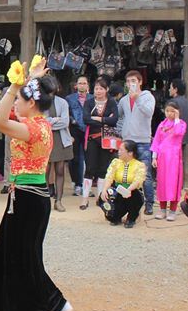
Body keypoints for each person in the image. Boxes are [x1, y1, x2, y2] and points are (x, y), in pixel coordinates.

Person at [0, 58, 72, 311]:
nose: (15, 105)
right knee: (23, 255)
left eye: (20, 101)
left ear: (31, 103)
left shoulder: (31, 128)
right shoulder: (42, 123)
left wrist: (13, 87)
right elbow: (16, 112)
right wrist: (33, 78)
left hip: (27, 197)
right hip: (31, 196)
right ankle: (52, 302)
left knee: (20, 258)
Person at [117, 71, 156, 215]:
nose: (130, 84)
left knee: (145, 174)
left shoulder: (147, 97)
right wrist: (120, 132)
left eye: (133, 81)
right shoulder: (123, 100)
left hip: (143, 140)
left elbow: (149, 112)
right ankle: (125, 202)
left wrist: (137, 98)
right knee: (125, 173)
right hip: (127, 140)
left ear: (140, 82)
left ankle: (149, 202)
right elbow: (120, 116)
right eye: (128, 81)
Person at [80, 77, 119, 210]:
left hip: (107, 141)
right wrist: (105, 120)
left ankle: (100, 198)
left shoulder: (112, 102)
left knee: (103, 169)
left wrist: (98, 118)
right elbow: (85, 119)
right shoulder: (89, 102)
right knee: (90, 168)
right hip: (92, 139)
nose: (98, 91)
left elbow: (115, 120)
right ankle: (84, 199)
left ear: (106, 89)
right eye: (96, 88)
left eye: (101, 88)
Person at [150, 101, 186, 221]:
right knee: (162, 183)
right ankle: (162, 209)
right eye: (167, 111)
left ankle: (172, 210)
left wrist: (176, 118)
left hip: (174, 158)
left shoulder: (181, 124)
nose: (169, 113)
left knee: (173, 183)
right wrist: (154, 157)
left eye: (172, 111)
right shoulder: (161, 125)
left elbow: (178, 132)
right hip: (162, 158)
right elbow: (156, 141)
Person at [100, 140, 148, 228]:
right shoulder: (115, 162)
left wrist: (128, 190)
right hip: (118, 191)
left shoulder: (140, 165)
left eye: (121, 150)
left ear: (130, 153)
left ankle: (131, 218)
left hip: (132, 192)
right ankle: (116, 217)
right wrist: (104, 190)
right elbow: (109, 176)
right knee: (106, 197)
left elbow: (138, 180)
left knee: (134, 196)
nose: (119, 152)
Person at [45, 81, 73, 213]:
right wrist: (55, 120)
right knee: (45, 170)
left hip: (61, 139)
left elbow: (65, 122)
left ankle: (59, 200)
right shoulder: (39, 102)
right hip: (45, 139)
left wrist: (50, 121)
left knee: (60, 170)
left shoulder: (62, 102)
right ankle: (44, 200)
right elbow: (40, 121)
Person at [168, 79, 188, 191]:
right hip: (185, 137)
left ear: (175, 89)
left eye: (170, 87)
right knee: (180, 160)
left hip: (173, 137)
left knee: (171, 162)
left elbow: (169, 121)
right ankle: (179, 184)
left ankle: (172, 185)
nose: (169, 89)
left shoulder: (172, 103)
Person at [65, 76, 89, 196]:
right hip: (74, 131)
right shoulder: (69, 98)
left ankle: (82, 184)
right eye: (80, 83)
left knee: (86, 158)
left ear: (88, 85)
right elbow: (66, 114)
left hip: (88, 130)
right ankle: (77, 183)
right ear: (76, 85)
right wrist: (72, 120)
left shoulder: (92, 98)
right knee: (75, 158)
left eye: (84, 83)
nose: (82, 85)